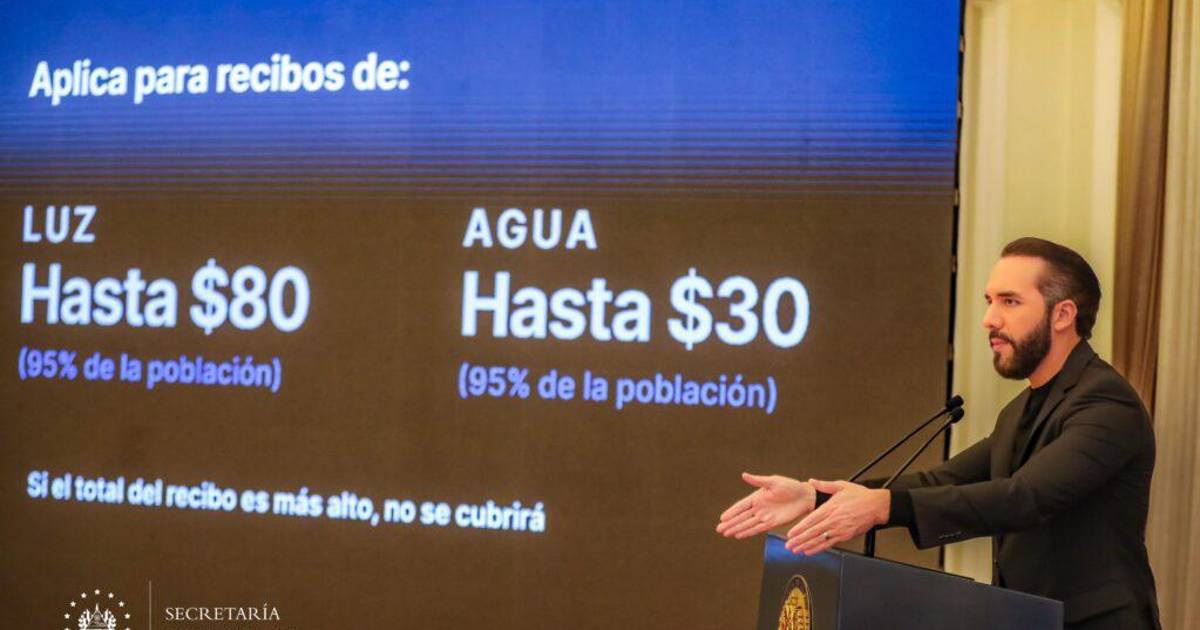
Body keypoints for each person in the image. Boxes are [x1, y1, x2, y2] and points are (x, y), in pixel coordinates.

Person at [716, 237, 1160, 630]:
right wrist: (815, 497)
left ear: (1063, 314)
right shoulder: (1020, 411)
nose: (989, 319)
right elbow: (941, 481)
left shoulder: (1107, 404)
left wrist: (883, 507)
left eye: (1009, 302)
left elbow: (1026, 497)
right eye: (989, 301)